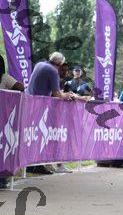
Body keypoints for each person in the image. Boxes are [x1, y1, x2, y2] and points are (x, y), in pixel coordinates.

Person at [27, 52, 89, 174]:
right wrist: (68, 95)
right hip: (40, 107)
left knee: (35, 135)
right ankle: (37, 164)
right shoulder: (53, 71)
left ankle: (34, 164)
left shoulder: (40, 64)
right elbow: (57, 94)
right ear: (59, 64)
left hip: (31, 103)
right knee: (41, 135)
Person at [0, 55, 24, 188]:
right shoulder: (4, 78)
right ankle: (1, 178)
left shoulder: (5, 78)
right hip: (3, 118)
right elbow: (21, 87)